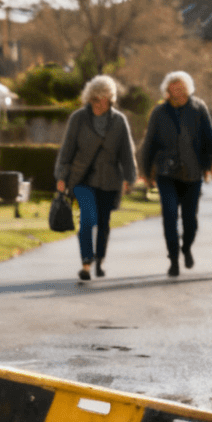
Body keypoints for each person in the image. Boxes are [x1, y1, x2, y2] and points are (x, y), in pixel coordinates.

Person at [54, 75, 137, 282]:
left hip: (110, 180)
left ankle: (100, 259)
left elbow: (127, 151)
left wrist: (130, 177)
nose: (99, 104)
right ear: (89, 99)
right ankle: (86, 263)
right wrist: (62, 176)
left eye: (103, 99)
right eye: (95, 99)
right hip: (82, 178)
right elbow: (67, 150)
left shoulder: (119, 121)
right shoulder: (78, 119)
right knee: (87, 219)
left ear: (111, 99)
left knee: (103, 223)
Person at [137, 70, 212, 278]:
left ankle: (186, 247)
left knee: (190, 219)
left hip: (192, 173)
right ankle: (173, 259)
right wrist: (146, 172)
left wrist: (208, 165)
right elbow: (149, 143)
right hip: (166, 172)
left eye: (180, 87)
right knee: (170, 216)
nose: (177, 91)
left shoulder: (198, 108)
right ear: (167, 90)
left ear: (187, 89)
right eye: (172, 88)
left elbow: (210, 138)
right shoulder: (159, 112)